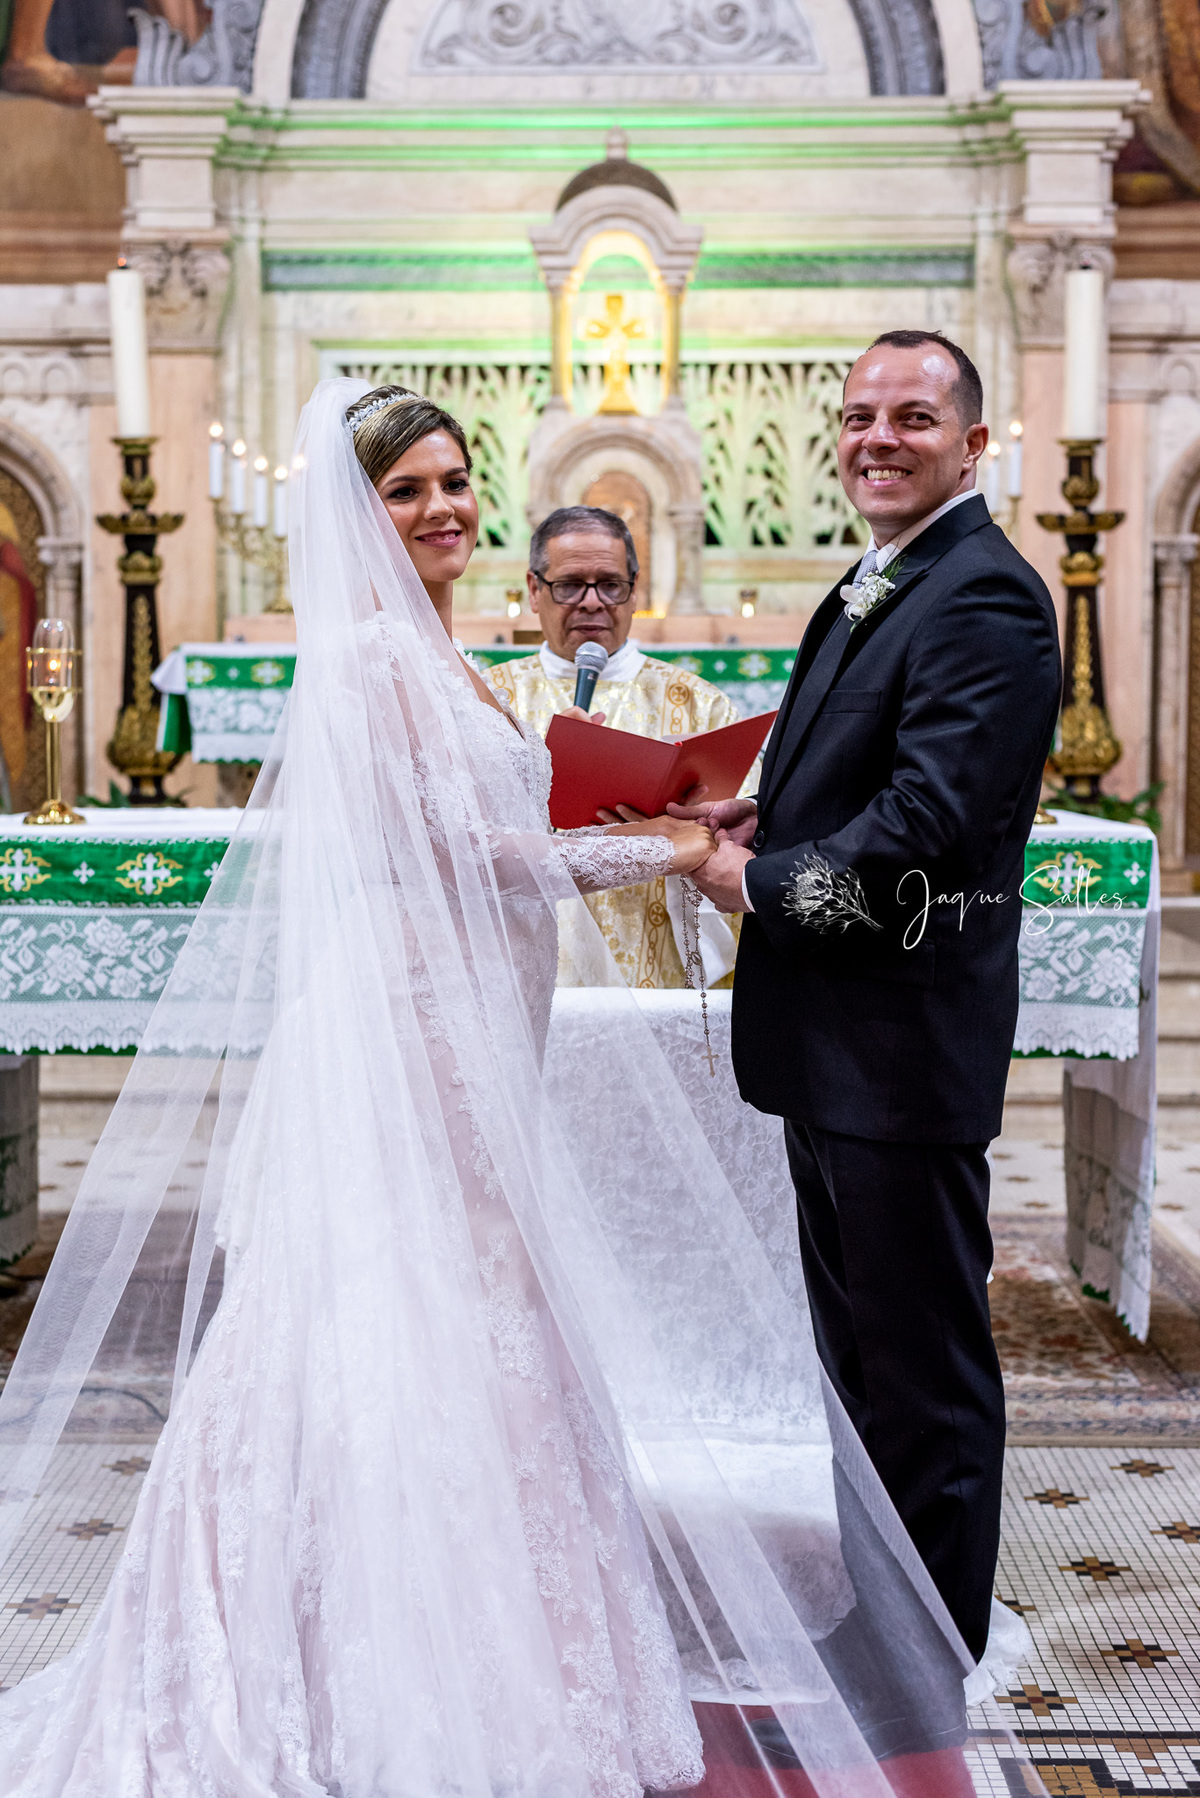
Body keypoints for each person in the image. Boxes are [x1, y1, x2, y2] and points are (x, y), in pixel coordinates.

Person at [0, 378, 987, 1795]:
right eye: (406, 491)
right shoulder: (371, 659)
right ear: (357, 514)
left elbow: (520, 811)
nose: (444, 507)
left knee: (473, 1315)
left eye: (456, 481)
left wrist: (686, 810)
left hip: (469, 1018)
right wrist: (672, 857)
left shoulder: (444, 654)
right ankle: (346, 1654)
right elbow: (475, 854)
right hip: (414, 1024)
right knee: (400, 1313)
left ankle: (473, 1625)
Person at [675, 330, 1062, 1669]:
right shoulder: (877, 580)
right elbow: (858, 772)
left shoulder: (985, 595)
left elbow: (928, 829)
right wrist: (763, 810)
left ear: (973, 443)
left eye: (912, 416)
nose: (876, 438)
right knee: (861, 1375)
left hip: (899, 1048)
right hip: (837, 1044)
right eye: (857, 417)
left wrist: (760, 889)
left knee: (924, 1384)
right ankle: (880, 1620)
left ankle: (927, 1657)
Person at [487, 506, 742, 990]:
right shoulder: (491, 696)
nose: (591, 602)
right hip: (523, 964)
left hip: (658, 966)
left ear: (634, 589)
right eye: (569, 585)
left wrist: (696, 822)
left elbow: (743, 832)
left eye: (610, 584)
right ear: (534, 589)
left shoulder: (700, 704)